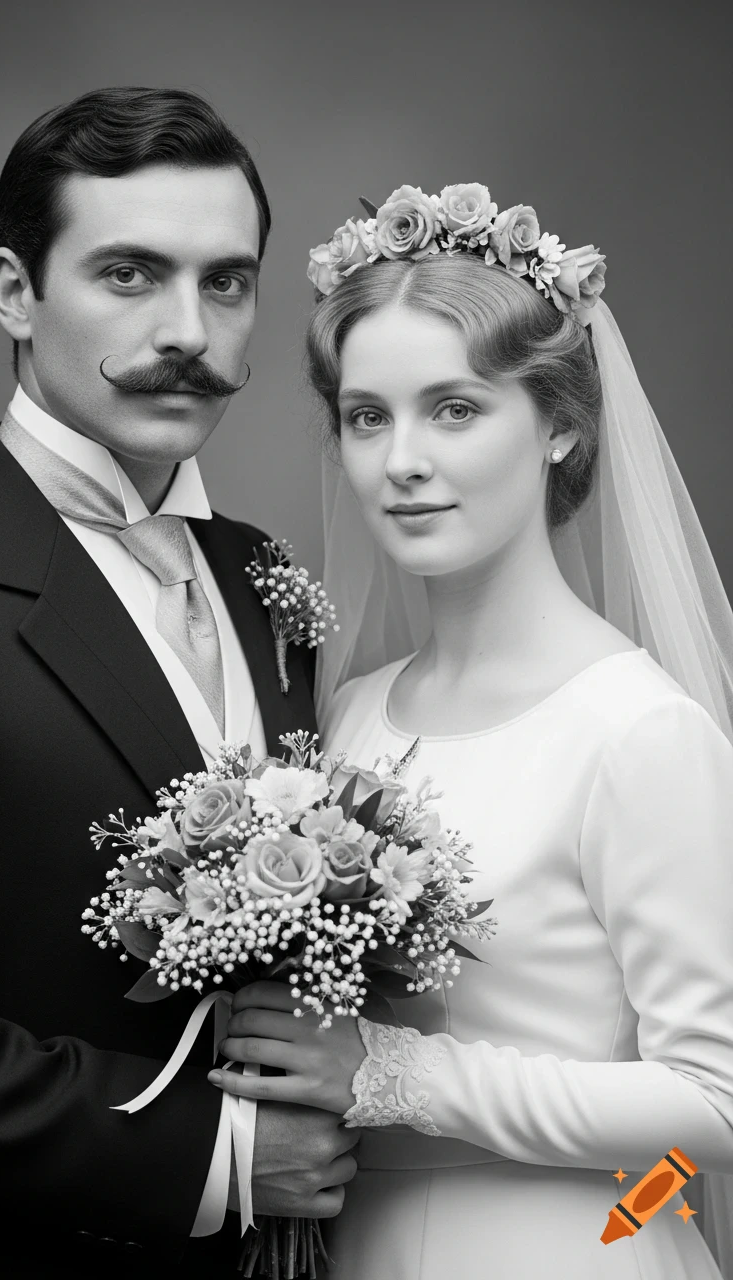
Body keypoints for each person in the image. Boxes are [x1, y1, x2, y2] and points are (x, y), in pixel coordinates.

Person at [0, 88, 358, 1280]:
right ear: (14, 290)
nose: (189, 328)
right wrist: (220, 1157)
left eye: (225, 282)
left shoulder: (264, 572)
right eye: (130, 274)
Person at [208, 183, 733, 1278]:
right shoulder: (350, 710)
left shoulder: (635, 732)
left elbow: (713, 1102)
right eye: (366, 415)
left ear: (559, 427)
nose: (399, 459)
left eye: (453, 408)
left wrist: (395, 1074)